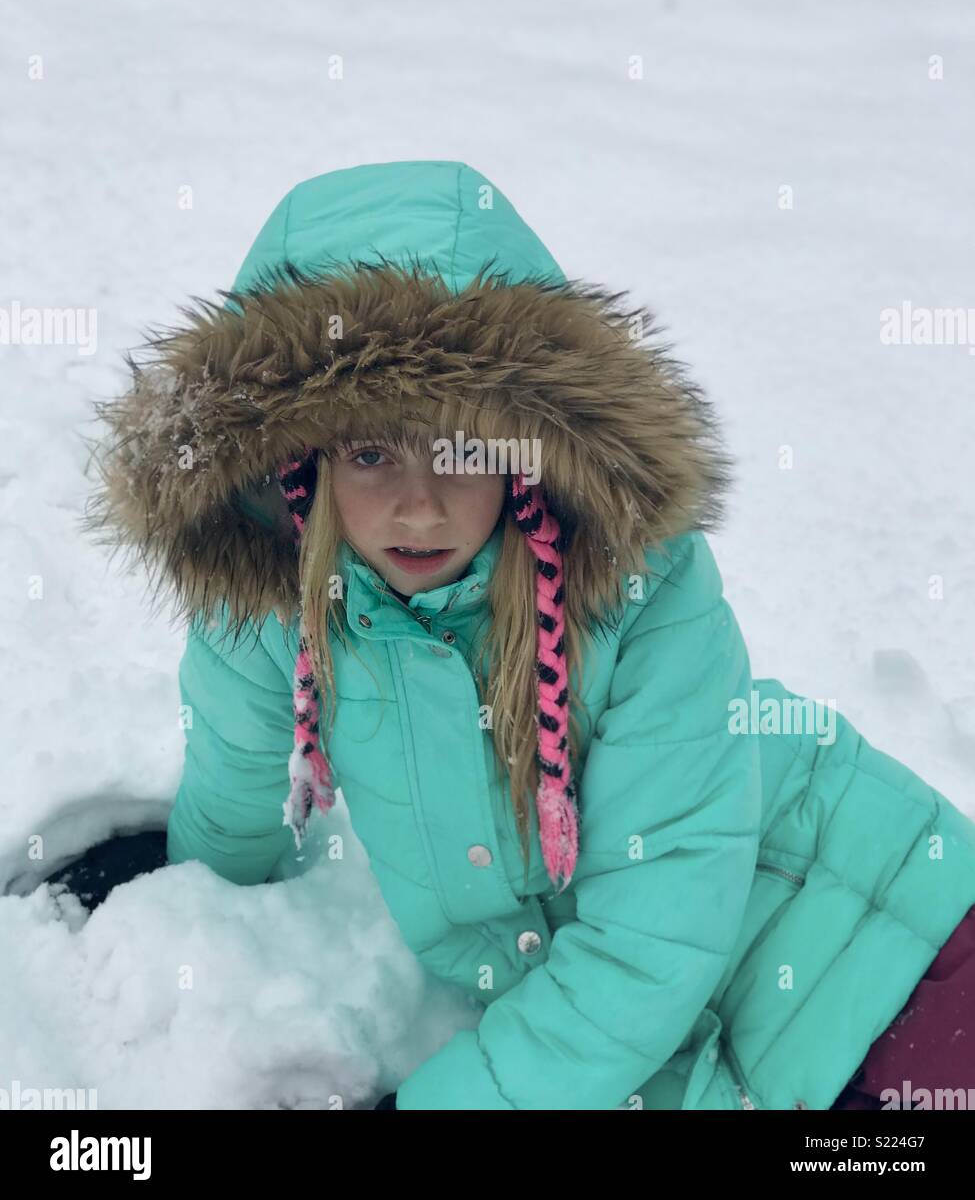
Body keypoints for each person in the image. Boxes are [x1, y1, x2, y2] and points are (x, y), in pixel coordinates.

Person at [82, 160, 975, 1111]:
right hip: (698, 1053)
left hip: (894, 944)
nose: (416, 506)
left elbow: (648, 948)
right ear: (298, 468)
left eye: (459, 452)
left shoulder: (637, 596)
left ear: (520, 459)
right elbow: (235, 790)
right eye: (371, 452)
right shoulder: (280, 603)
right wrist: (174, 910)